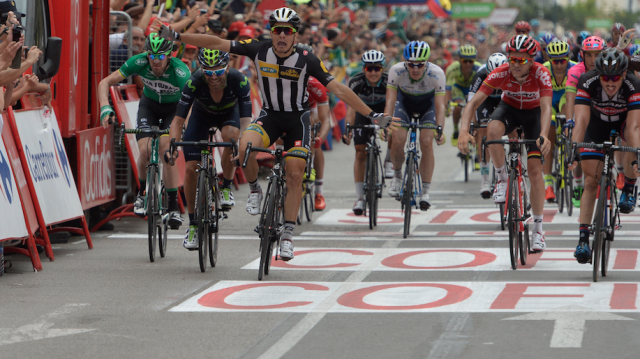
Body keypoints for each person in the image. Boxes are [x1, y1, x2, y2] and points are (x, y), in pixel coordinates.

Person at [152, 7, 398, 261]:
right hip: (269, 116)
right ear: (271, 32)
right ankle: (255, 190)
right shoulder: (259, 48)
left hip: (296, 120)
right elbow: (217, 42)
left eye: (287, 31)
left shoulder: (307, 58)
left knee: (294, 173)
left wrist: (373, 115)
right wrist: (178, 37)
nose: (281, 36)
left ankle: (288, 235)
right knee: (243, 147)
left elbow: (341, 90)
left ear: (294, 34)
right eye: (277, 30)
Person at [457, 34, 553, 253]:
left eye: (521, 60)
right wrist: (463, 131)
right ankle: (501, 177)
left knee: (536, 171)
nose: (515, 64)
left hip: (533, 115)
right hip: (509, 109)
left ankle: (538, 230)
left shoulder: (541, 73)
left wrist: (545, 134)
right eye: (512, 59)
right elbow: (472, 105)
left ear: (531, 59)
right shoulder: (501, 73)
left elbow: (547, 107)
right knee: (491, 129)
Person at [98, 33, 190, 229]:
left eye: (161, 56)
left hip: (174, 109)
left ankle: (173, 207)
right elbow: (104, 83)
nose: (155, 61)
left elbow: (191, 102)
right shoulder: (138, 62)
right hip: (149, 106)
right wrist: (105, 107)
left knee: (167, 152)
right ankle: (142, 194)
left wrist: (186, 125)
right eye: (152, 56)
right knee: (145, 151)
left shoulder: (180, 71)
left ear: (169, 56)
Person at [169, 49, 251, 250]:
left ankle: (225, 187)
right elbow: (178, 120)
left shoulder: (239, 80)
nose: (213, 77)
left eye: (218, 71)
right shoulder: (194, 82)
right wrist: (173, 144)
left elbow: (246, 121)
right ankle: (193, 224)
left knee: (232, 137)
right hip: (201, 116)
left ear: (228, 67)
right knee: (190, 168)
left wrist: (243, 145)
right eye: (208, 72)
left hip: (229, 114)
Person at [571, 48, 640, 263]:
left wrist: (637, 156)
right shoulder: (586, 80)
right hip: (596, 125)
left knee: (631, 141)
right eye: (605, 78)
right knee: (591, 182)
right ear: (598, 75)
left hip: (623, 124)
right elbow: (581, 121)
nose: (610, 83)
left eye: (615, 78)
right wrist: (574, 149)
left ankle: (629, 186)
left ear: (623, 75)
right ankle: (583, 238)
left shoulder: (632, 85)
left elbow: (635, 126)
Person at [386, 41, 446, 210]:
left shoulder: (437, 73)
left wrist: (439, 128)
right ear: (405, 62)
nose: (415, 69)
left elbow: (440, 105)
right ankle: (397, 177)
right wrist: (386, 123)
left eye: (420, 65)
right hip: (403, 104)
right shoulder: (396, 71)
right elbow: (390, 100)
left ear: (427, 62)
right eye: (411, 64)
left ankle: (425, 191)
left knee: (426, 142)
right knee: (397, 138)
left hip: (428, 107)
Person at [343, 50, 388, 215]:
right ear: (364, 69)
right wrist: (348, 128)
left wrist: (386, 128)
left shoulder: (389, 81)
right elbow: (351, 108)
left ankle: (389, 161)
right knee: (360, 153)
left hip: (384, 111)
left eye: (377, 69)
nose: (374, 73)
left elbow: (394, 107)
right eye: (370, 69)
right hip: (363, 113)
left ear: (382, 69)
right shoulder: (356, 81)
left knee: (395, 131)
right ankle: (360, 198)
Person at [564, 36, 606, 207]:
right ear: (582, 55)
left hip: (603, 110)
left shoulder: (609, 68)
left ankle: (615, 172)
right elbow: (570, 99)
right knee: (579, 141)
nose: (593, 60)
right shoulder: (575, 71)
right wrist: (569, 121)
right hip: (581, 109)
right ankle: (578, 183)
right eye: (589, 55)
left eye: (597, 55)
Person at [295, 43, 331, 211]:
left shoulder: (315, 83)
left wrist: (319, 139)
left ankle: (319, 191)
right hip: (289, 108)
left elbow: (325, 121)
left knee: (312, 125)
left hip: (311, 108)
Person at [467, 52, 508, 199]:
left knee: (516, 129)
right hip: (486, 99)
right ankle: (485, 180)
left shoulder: (511, 74)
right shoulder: (480, 75)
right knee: (483, 132)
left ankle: (516, 165)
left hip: (504, 100)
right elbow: (471, 104)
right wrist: (472, 125)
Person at [541, 40, 577, 203]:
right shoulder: (543, 70)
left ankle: (565, 144)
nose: (559, 64)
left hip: (565, 98)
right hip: (549, 99)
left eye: (563, 60)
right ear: (549, 59)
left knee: (565, 110)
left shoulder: (574, 68)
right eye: (555, 61)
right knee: (548, 133)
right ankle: (548, 183)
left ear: (568, 59)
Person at [445, 44, 481, 148]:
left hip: (472, 89)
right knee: (458, 106)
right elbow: (448, 88)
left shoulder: (479, 69)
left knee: (475, 111)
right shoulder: (452, 68)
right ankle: (456, 130)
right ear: (460, 60)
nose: (468, 64)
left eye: (471, 61)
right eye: (465, 61)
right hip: (459, 88)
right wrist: (447, 103)